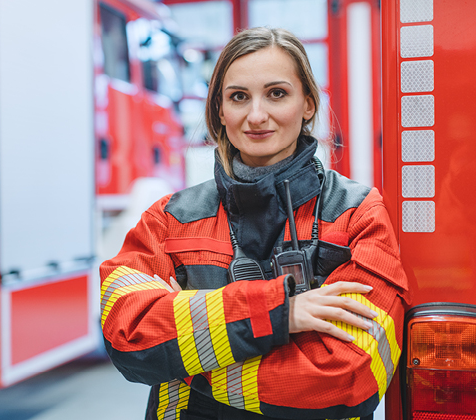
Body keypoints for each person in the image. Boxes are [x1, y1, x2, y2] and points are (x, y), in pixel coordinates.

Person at [100, 27, 409, 420]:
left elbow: (347, 377)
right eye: (239, 97)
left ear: (308, 104)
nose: (256, 115)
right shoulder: (168, 219)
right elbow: (130, 337)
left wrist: (188, 358)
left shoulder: (357, 213)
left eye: (277, 93)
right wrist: (283, 314)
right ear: (220, 111)